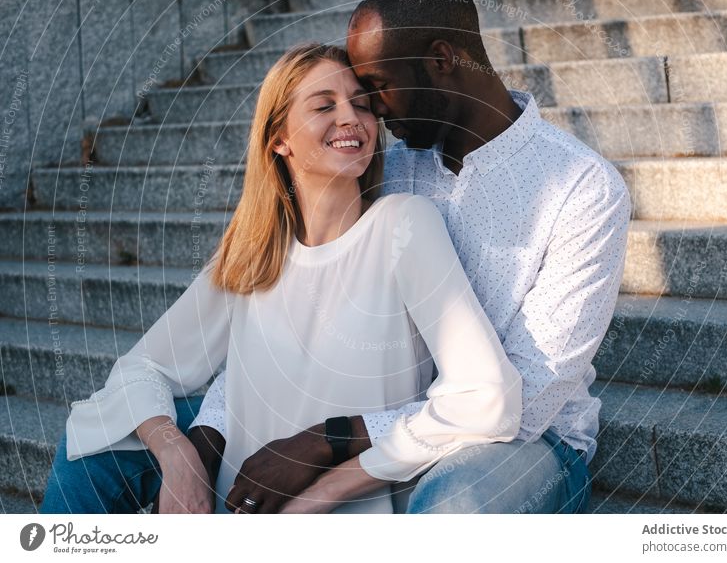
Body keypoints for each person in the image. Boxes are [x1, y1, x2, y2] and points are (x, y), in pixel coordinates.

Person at [190, 0, 631, 514]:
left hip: (518, 445)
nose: (366, 111)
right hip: (358, 414)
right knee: (113, 448)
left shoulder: (582, 187)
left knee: (452, 513)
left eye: (375, 86)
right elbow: (284, 316)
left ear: (442, 60)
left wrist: (335, 440)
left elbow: (526, 401)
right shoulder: (384, 172)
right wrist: (202, 442)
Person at [40, 42, 522, 514]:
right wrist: (177, 454)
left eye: (361, 105)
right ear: (279, 139)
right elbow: (142, 367)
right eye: (323, 105)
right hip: (239, 506)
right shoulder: (256, 250)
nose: (351, 118)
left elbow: (486, 395)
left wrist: (327, 486)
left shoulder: (403, 225)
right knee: (93, 437)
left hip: (343, 513)